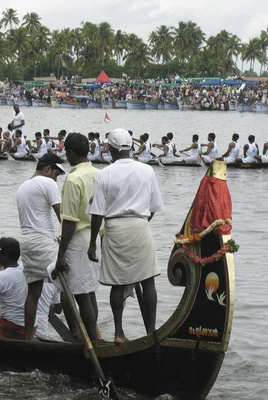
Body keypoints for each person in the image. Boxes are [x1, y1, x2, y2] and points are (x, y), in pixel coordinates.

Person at [87, 128, 164, 344]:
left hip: (114, 229)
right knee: (148, 280)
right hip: (140, 226)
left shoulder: (105, 173)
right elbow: (154, 206)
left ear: (110, 149)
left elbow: (97, 213)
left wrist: (92, 243)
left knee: (117, 283)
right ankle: (151, 331)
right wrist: (139, 223)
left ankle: (119, 333)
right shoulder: (147, 170)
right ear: (130, 148)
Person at [54, 133, 101, 341]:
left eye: (66, 152)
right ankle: (93, 336)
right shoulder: (99, 174)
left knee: (81, 295)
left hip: (78, 238)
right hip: (94, 238)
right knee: (89, 292)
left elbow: (70, 220)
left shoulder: (73, 179)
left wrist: (61, 253)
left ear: (71, 153)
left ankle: (91, 341)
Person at [17, 153, 65, 340]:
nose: (56, 178)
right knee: (69, 284)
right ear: (47, 169)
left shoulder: (23, 186)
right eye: (56, 173)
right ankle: (79, 335)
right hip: (44, 241)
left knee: (34, 291)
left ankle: (28, 337)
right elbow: (62, 214)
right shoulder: (48, 183)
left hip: (27, 242)